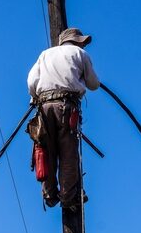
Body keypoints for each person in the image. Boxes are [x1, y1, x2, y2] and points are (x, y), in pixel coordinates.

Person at [27, 28, 100, 209]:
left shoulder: (45, 54)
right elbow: (94, 84)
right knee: (68, 153)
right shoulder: (79, 54)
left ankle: (50, 194)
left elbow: (31, 82)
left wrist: (37, 95)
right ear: (76, 42)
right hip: (66, 107)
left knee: (47, 151)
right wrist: (81, 76)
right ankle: (69, 197)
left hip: (44, 108)